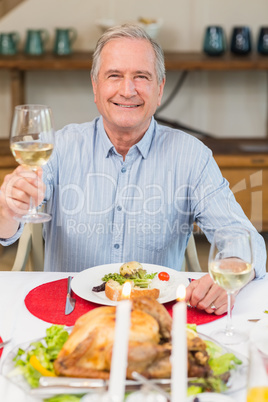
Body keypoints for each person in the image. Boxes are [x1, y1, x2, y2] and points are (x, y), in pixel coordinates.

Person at [0, 24, 266, 315]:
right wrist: (8, 210)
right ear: (95, 86)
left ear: (159, 89)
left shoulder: (192, 156)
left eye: (141, 77)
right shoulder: (58, 148)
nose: (127, 91)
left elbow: (244, 238)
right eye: (114, 76)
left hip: (154, 318)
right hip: (69, 315)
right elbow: (8, 229)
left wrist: (233, 266)